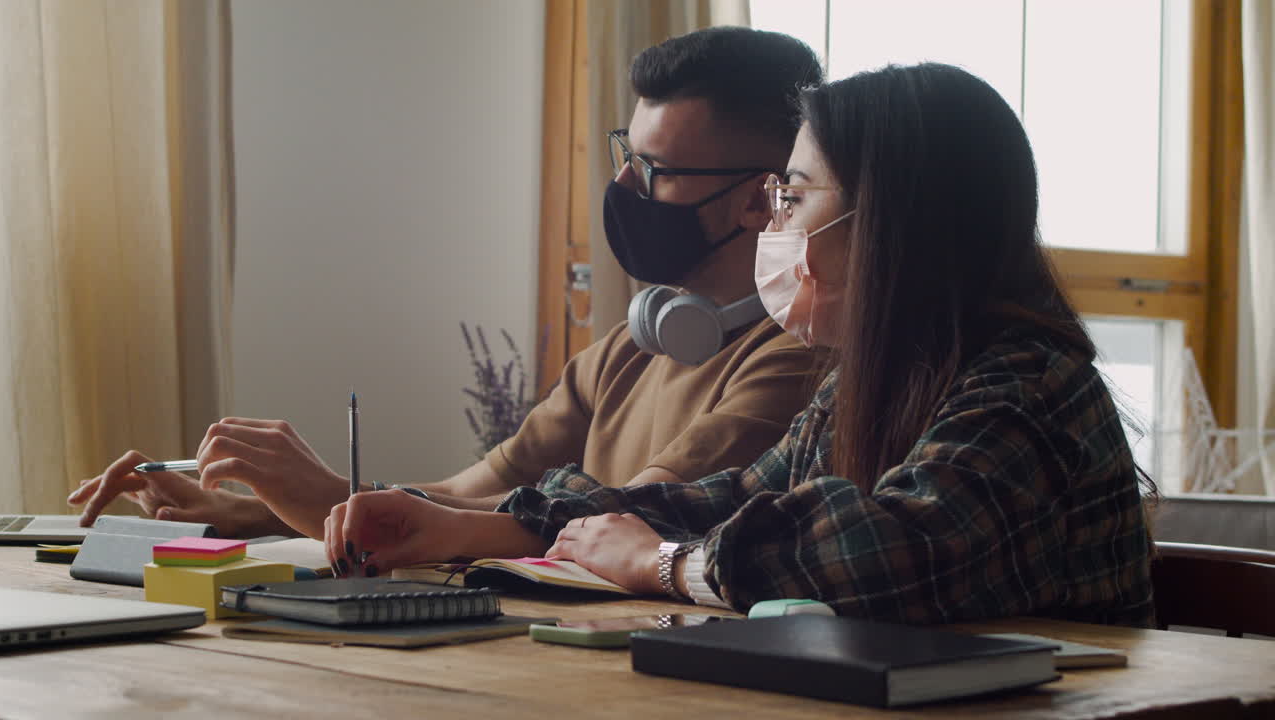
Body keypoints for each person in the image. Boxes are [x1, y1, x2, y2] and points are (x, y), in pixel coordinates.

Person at [321, 63, 1157, 627]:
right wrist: (466, 531)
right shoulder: (875, 381)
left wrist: (664, 566)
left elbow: (889, 552)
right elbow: (720, 499)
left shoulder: (1025, 386)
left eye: (790, 196)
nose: (774, 221)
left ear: (890, 225)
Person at [68, 27, 826, 540]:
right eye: (626, 151)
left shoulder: (795, 362)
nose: (623, 182)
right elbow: (465, 493)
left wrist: (334, 498)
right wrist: (246, 510)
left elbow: (630, 514)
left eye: (654, 171)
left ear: (761, 198)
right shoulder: (629, 349)